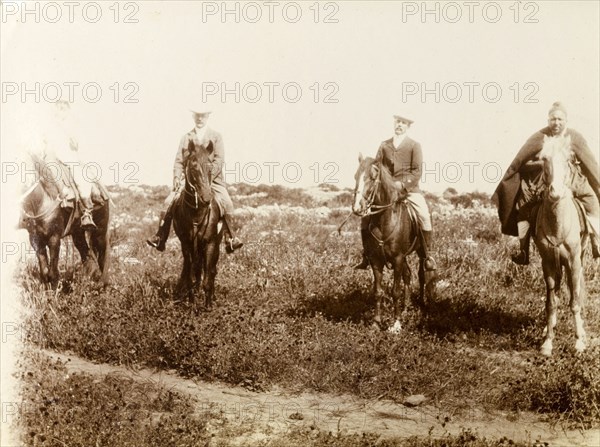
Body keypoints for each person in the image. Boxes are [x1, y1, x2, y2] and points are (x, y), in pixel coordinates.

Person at [493, 101, 600, 265]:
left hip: (572, 180)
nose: (556, 123)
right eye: (552, 119)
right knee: (523, 208)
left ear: (566, 120)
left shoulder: (574, 137)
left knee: (592, 201)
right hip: (544, 180)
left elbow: (589, 162)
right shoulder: (539, 137)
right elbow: (521, 163)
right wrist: (542, 165)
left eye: (559, 119)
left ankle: (596, 242)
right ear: (548, 120)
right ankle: (523, 250)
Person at [146, 105, 243, 253]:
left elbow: (219, 160)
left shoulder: (216, 136)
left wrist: (208, 176)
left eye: (203, 115)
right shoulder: (186, 138)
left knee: (227, 203)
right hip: (190, 180)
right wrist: (177, 177)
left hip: (212, 180)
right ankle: (160, 237)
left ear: (207, 117)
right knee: (168, 202)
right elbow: (179, 160)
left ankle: (230, 238)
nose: (200, 118)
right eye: (197, 115)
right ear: (193, 117)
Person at [354, 114, 436, 271]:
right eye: (398, 121)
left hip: (409, 190)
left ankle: (427, 256)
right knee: (365, 217)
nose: (399, 125)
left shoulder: (414, 145)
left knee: (424, 215)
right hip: (386, 192)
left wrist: (402, 185)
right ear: (394, 123)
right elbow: (377, 166)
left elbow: (417, 171)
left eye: (403, 123)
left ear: (408, 126)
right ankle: (366, 255)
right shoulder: (384, 144)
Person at [42, 100, 96, 229]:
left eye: (63, 108)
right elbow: (44, 141)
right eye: (58, 107)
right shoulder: (49, 125)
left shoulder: (72, 124)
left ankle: (86, 212)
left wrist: (73, 140)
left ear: (67, 110)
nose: (60, 110)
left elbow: (77, 144)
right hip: (50, 158)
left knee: (80, 178)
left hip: (68, 157)